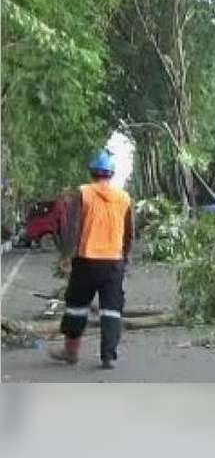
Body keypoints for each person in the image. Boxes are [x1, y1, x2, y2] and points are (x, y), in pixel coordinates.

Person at [49, 149, 134, 370]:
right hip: (113, 263)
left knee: (76, 307)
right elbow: (129, 233)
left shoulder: (83, 193)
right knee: (112, 311)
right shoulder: (124, 198)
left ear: (92, 172)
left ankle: (71, 353)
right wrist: (124, 259)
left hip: (87, 261)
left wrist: (66, 256)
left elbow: (72, 227)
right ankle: (108, 357)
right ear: (111, 174)